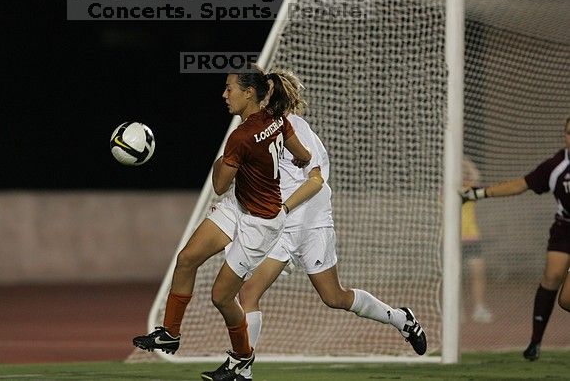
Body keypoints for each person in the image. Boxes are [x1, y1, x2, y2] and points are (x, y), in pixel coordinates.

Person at [231, 70, 427, 381]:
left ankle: (400, 319)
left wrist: (283, 208)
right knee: (248, 293)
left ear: (266, 97)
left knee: (334, 297)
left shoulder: (295, 128)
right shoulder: (259, 132)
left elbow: (316, 180)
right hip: (280, 227)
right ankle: (243, 369)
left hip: (310, 222)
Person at [133, 70, 312, 381]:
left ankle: (242, 359)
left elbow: (218, 185)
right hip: (239, 205)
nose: (224, 95)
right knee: (187, 259)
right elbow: (303, 155)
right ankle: (170, 334)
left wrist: (222, 159)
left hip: (261, 223)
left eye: (229, 89)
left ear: (248, 94)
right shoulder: (277, 119)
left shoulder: (240, 137)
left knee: (221, 296)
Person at [461, 116, 570, 361]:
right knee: (555, 284)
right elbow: (520, 185)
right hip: (564, 229)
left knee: (566, 299)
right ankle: (535, 342)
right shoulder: (556, 165)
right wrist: (480, 193)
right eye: (568, 133)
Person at [461, 155, 493, 323]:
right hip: (451, 240)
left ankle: (479, 307)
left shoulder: (469, 190)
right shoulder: (444, 189)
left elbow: (475, 175)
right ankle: (456, 309)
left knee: (478, 271)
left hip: (471, 237)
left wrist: (462, 159)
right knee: (454, 276)